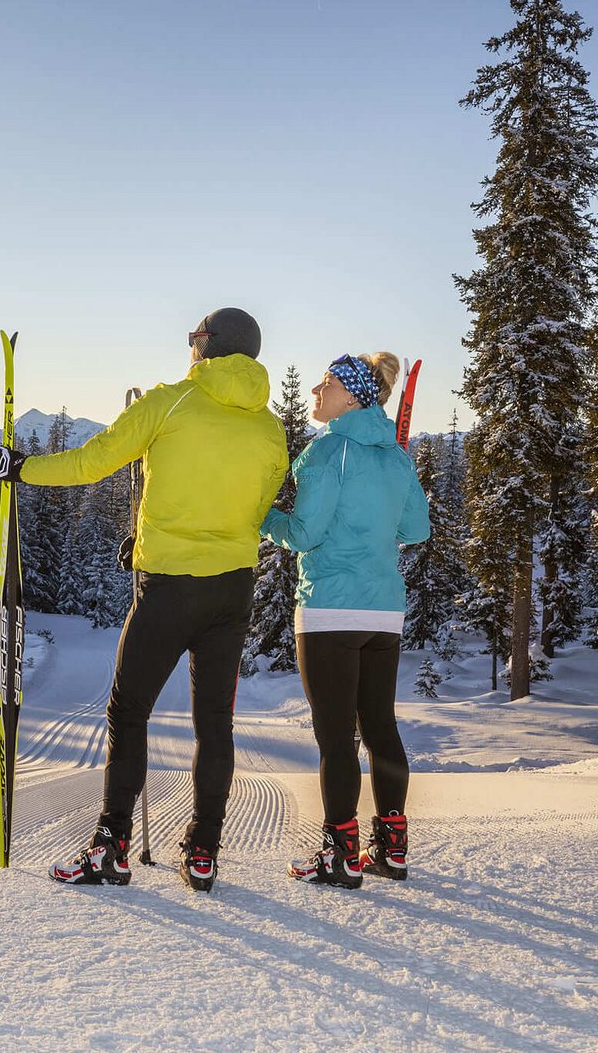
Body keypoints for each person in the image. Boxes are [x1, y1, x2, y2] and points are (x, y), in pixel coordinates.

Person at [0, 307, 286, 892]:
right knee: (215, 724)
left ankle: (111, 847)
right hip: (232, 588)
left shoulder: (171, 400)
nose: (191, 346)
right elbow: (251, 506)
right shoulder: (270, 427)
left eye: (196, 337)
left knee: (128, 712)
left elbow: (91, 461)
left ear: (210, 345)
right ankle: (202, 851)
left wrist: (22, 469)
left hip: (171, 586)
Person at [260, 352, 430, 888]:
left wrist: (260, 515)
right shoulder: (395, 456)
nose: (316, 388)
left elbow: (305, 534)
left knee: (337, 739)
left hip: (331, 606)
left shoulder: (327, 449)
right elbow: (417, 528)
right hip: (383, 612)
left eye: (328, 382)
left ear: (353, 396)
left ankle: (339, 854)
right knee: (380, 727)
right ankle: (392, 850)